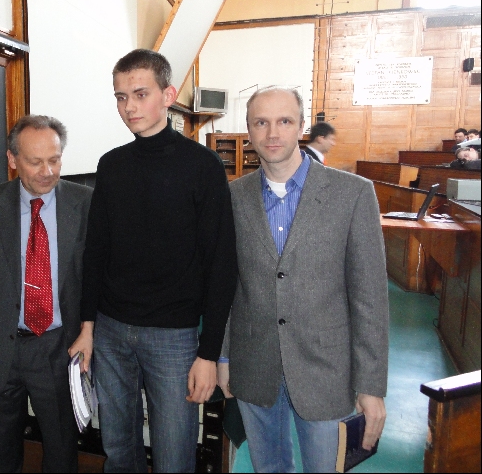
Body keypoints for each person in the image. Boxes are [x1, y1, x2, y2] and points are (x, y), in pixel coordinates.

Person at [73, 49, 237, 472]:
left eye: (140, 94)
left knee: (173, 456)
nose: (129, 106)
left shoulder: (202, 166)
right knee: (118, 448)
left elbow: (221, 264)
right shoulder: (111, 165)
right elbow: (96, 252)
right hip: (110, 330)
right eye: (120, 96)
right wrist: (88, 327)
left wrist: (208, 353)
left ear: (168, 95)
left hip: (174, 337)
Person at [218, 86, 389, 473]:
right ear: (249, 129)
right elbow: (227, 287)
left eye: (284, 121)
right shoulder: (232, 197)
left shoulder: (353, 194)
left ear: (301, 127)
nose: (272, 133)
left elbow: (370, 300)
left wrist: (371, 385)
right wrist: (224, 357)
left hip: (326, 370)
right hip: (254, 365)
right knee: (268, 468)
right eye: (261, 122)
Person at [0, 115, 93, 472]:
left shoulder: (86, 203)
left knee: (61, 450)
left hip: (58, 346)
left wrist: (89, 331)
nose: (47, 171)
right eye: (35, 161)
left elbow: (95, 276)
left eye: (54, 160)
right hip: (0, 347)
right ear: (12, 160)